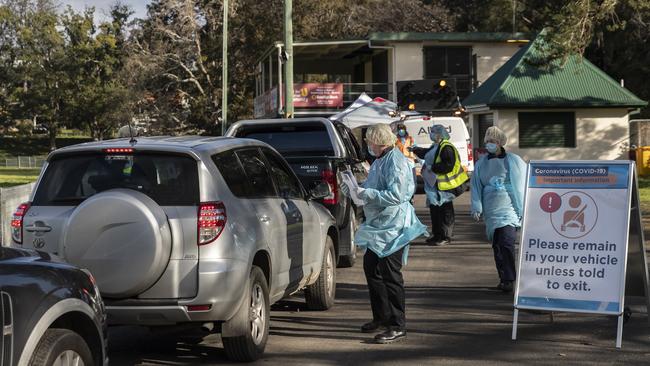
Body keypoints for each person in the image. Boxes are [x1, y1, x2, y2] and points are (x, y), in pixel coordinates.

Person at [340, 124, 427, 344]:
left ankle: (398, 325)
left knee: (390, 275)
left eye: (369, 141)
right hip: (380, 226)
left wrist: (365, 192)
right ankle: (381, 316)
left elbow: (396, 195)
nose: (368, 145)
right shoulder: (380, 161)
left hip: (394, 227)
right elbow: (372, 188)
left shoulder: (395, 162)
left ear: (379, 141)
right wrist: (354, 189)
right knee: (372, 268)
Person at [470, 126, 526, 293]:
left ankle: (510, 278)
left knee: (507, 242)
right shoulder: (481, 163)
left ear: (501, 142)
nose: (489, 144)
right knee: (497, 246)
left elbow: (521, 184)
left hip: (509, 208)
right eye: (487, 141)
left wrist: (523, 208)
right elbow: (476, 186)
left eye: (492, 141)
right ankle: (504, 277)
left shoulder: (513, 160)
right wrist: (476, 206)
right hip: (491, 208)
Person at [412, 125, 469, 246]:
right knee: (435, 211)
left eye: (433, 132)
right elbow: (426, 153)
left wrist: (432, 167)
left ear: (440, 134)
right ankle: (437, 235)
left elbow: (448, 165)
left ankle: (445, 236)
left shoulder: (447, 147)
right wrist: (415, 150)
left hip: (446, 187)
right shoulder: (436, 146)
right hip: (435, 186)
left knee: (445, 212)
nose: (431, 135)